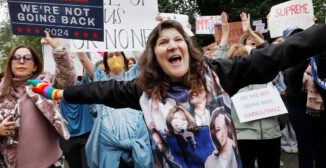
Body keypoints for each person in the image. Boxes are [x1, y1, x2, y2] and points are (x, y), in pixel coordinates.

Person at [29, 19, 326, 167]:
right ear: (155, 56)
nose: (172, 45)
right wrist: (56, 93)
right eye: (162, 43)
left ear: (186, 47)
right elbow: (98, 90)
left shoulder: (221, 74)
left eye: (177, 39)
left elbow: (284, 51)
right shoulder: (142, 91)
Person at [0, 32, 76, 168]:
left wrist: (57, 48)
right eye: (16, 58)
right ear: (10, 64)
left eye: (27, 58)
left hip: (51, 163)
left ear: (35, 65)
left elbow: (68, 80)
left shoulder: (45, 83)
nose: (21, 61)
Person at [76, 51, 153, 168]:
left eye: (117, 54)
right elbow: (83, 59)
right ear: (106, 62)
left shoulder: (134, 76)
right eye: (110, 56)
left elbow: (146, 56)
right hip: (109, 147)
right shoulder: (100, 80)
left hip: (138, 143)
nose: (114, 58)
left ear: (124, 59)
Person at [227, 44, 282, 168]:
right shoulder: (227, 83)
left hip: (270, 134)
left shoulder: (265, 75)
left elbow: (274, 58)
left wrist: (257, 50)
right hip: (243, 137)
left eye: (245, 58)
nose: (242, 63)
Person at [283, 26, 326, 168]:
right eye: (294, 36)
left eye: (301, 35)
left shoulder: (317, 53)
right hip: (297, 105)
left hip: (319, 105)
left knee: (321, 143)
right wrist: (304, 60)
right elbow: (290, 78)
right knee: (305, 143)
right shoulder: (286, 57)